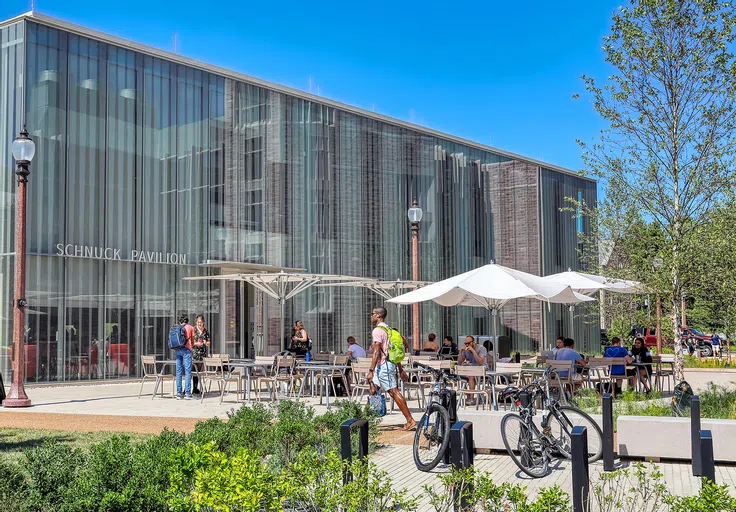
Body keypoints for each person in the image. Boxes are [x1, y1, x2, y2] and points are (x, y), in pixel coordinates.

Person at [366, 306, 415, 431]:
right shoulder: (388, 329)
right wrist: (400, 369)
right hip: (385, 365)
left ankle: (410, 420)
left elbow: (376, 352)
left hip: (384, 366)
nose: (370, 316)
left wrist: (371, 371)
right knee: (373, 389)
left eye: (372, 313)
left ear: (378, 315)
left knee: (393, 392)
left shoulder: (378, 331)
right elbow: (392, 351)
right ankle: (367, 420)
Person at [174, 315, 195, 400]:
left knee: (178, 372)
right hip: (187, 350)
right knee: (187, 372)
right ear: (187, 321)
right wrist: (191, 345)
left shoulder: (177, 327)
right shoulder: (191, 327)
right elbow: (192, 340)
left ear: (180, 322)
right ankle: (187, 393)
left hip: (178, 350)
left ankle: (179, 393)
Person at [191, 315, 211, 396]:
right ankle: (189, 389)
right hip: (194, 354)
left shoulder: (205, 331)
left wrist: (206, 343)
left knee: (198, 372)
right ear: (196, 322)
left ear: (203, 322)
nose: (199, 324)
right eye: (198, 322)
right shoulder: (193, 330)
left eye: (201, 322)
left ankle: (195, 388)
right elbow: (190, 343)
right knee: (192, 372)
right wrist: (196, 343)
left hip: (202, 354)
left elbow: (209, 342)